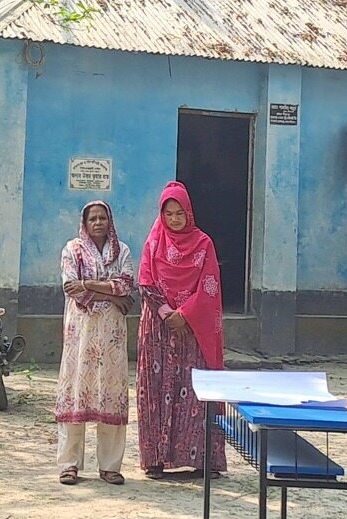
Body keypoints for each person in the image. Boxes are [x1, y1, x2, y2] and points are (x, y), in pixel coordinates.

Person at [135, 182, 226, 480]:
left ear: (189, 212)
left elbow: (209, 286)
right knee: (155, 388)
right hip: (158, 330)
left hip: (192, 331)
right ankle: (155, 460)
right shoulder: (154, 243)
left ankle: (202, 459)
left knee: (196, 389)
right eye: (168, 213)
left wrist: (185, 315)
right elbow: (145, 281)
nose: (174, 219)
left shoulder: (204, 244)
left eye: (179, 213)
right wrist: (165, 312)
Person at [55, 199, 133, 487]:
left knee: (111, 393)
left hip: (112, 334)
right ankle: (69, 464)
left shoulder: (121, 250)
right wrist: (111, 296)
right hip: (81, 332)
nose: (98, 222)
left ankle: (110, 466)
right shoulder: (72, 249)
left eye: (102, 218)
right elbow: (71, 287)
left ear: (109, 221)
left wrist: (90, 284)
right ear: (85, 223)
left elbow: (126, 284)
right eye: (93, 219)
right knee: (76, 392)